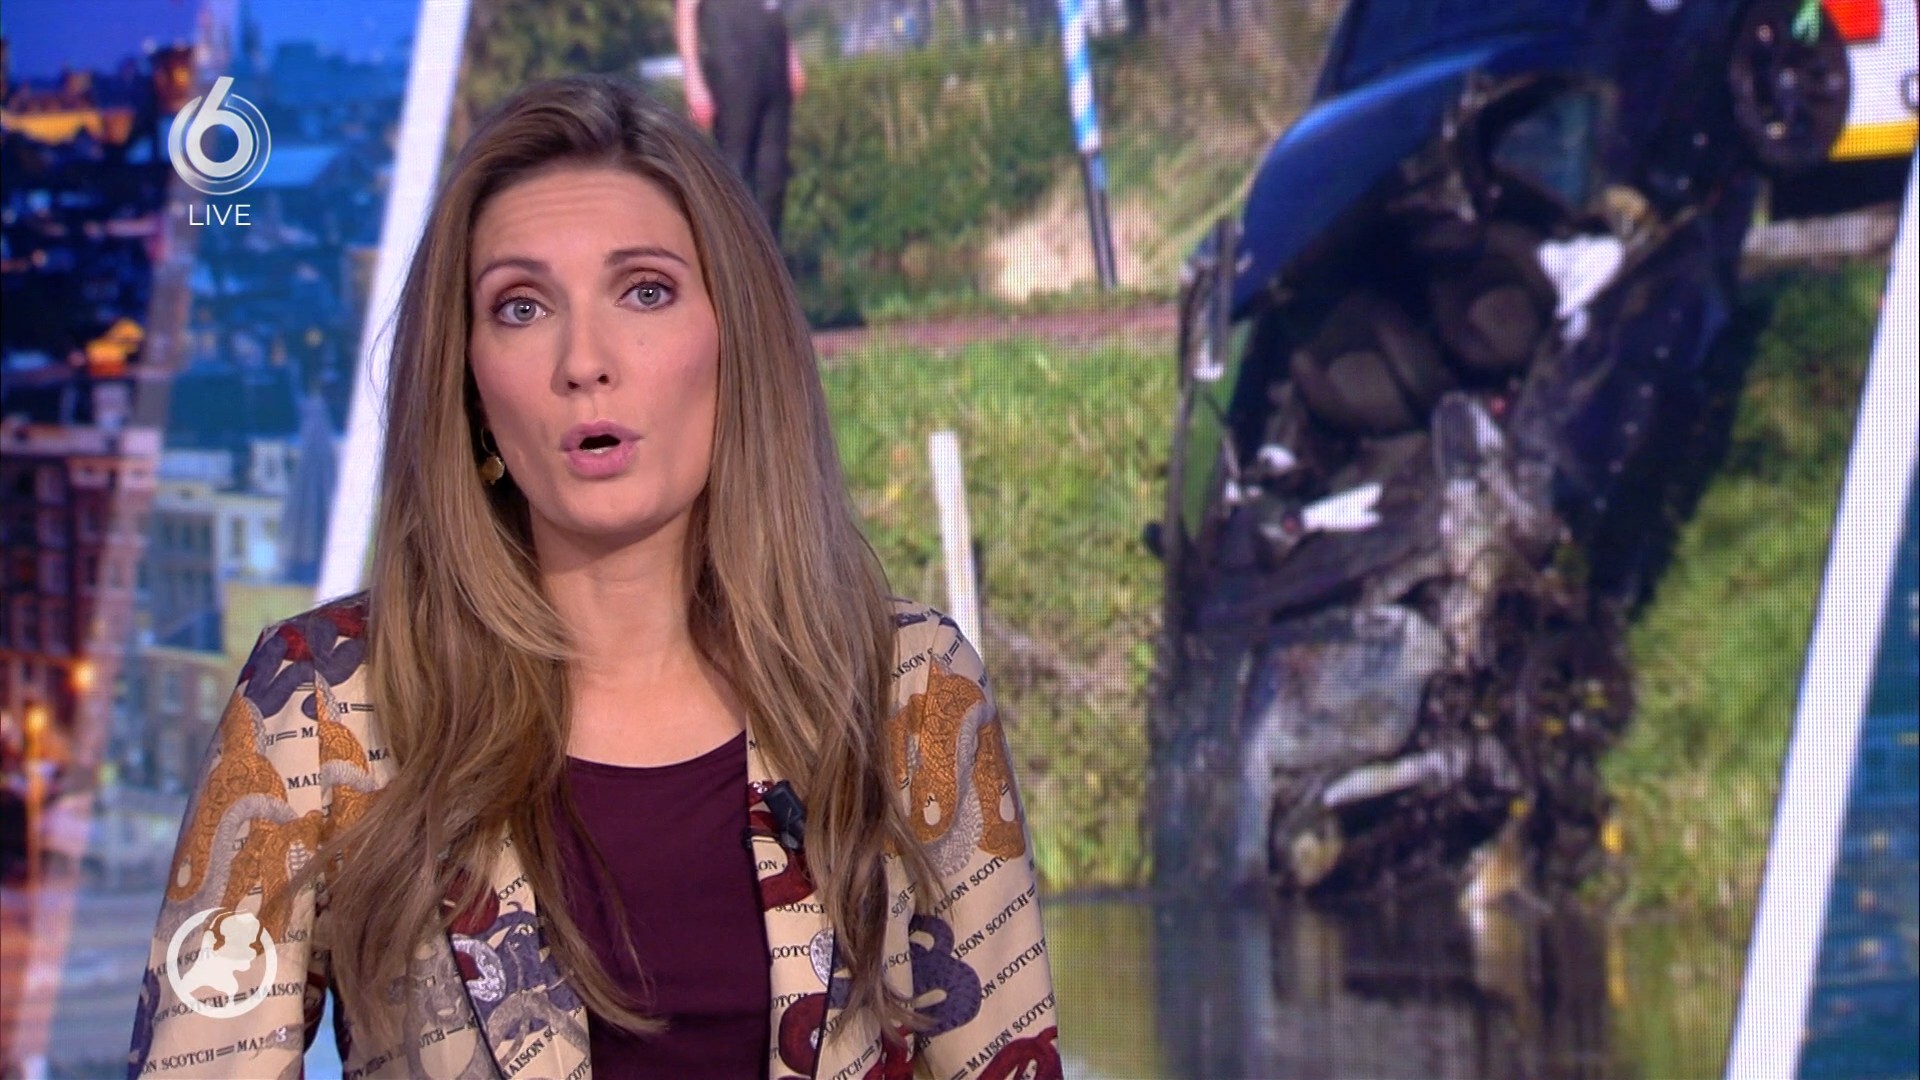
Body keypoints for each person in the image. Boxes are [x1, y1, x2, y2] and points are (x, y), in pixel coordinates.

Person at [126, 74, 1057, 1079]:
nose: (585, 360)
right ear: (469, 382)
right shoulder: (321, 703)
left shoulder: (908, 689)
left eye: (645, 290)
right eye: (522, 307)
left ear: (734, 339)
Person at [675, 0, 804, 242]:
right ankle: (735, 251)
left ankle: (769, 253)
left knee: (773, 174)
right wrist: (693, 82)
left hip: (773, 63)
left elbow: (773, 8)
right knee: (736, 169)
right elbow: (686, 11)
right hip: (731, 64)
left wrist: (792, 58)